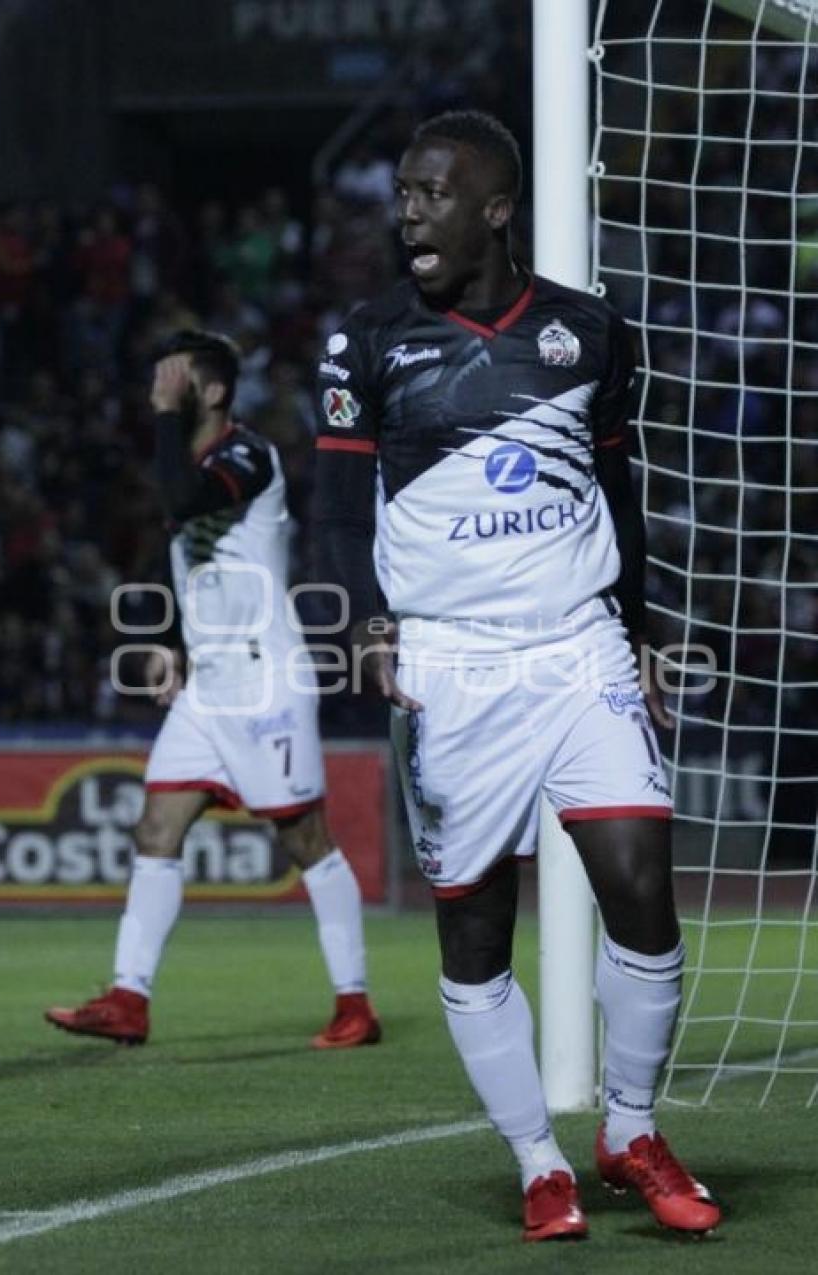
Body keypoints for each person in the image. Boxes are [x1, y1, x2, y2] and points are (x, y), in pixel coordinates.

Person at [312, 110, 720, 1241]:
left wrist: (638, 636)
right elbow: (340, 511)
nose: (408, 213)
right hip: (449, 661)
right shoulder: (366, 339)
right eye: (401, 194)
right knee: (475, 934)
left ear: (495, 207)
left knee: (641, 884)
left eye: (432, 194)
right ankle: (538, 1159)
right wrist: (366, 625)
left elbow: (619, 497)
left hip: (577, 643)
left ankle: (630, 1129)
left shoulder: (587, 331)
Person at [45, 329, 380, 1051]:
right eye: (159, 375)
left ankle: (355, 1003)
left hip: (266, 681)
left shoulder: (245, 454)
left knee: (307, 840)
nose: (161, 386)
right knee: (155, 829)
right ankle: (129, 997)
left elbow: (180, 495)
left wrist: (165, 413)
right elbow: (179, 551)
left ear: (214, 391)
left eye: (178, 377)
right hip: (209, 684)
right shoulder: (184, 461)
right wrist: (172, 643)